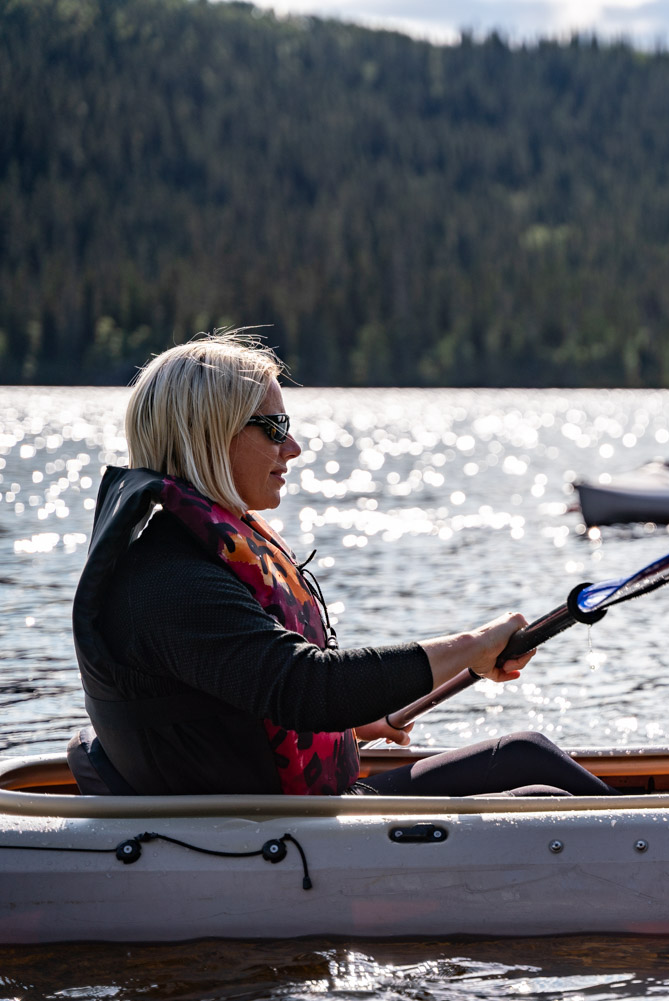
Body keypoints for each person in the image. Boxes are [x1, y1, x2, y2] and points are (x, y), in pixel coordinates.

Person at [69, 331, 615, 798]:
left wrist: (347, 726)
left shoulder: (184, 560)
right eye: (276, 428)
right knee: (539, 787)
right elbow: (302, 686)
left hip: (282, 818)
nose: (295, 448)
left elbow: (252, 696)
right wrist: (471, 647)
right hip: (257, 839)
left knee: (525, 755)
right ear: (210, 435)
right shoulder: (168, 583)